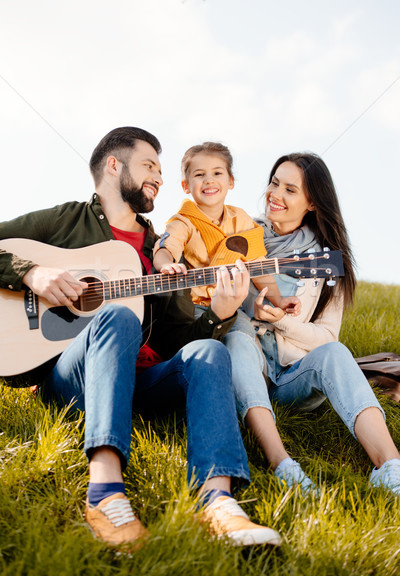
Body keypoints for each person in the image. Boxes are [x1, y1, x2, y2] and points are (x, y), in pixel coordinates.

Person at [0, 127, 283, 551]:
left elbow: (180, 336)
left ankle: (218, 502)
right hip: (72, 379)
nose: (160, 177)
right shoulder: (67, 220)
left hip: (143, 383)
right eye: (149, 165)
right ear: (114, 166)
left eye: (161, 169)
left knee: (207, 351)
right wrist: (31, 272)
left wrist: (220, 315)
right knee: (117, 315)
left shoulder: (160, 251)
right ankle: (105, 492)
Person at [222, 152, 400, 494]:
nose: (276, 194)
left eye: (290, 189)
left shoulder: (327, 261)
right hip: (245, 366)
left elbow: (326, 337)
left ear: (313, 202)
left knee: (334, 351)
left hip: (291, 379)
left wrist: (281, 322)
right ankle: (284, 466)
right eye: (275, 183)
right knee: (237, 332)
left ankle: (390, 467)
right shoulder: (239, 237)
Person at [152, 141, 299, 314]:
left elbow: (258, 264)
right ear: (186, 186)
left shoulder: (241, 219)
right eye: (199, 174)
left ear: (230, 181)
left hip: (231, 306)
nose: (209, 180)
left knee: (241, 339)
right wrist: (166, 264)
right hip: (195, 307)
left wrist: (280, 300)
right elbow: (166, 247)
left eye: (217, 173)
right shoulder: (183, 222)